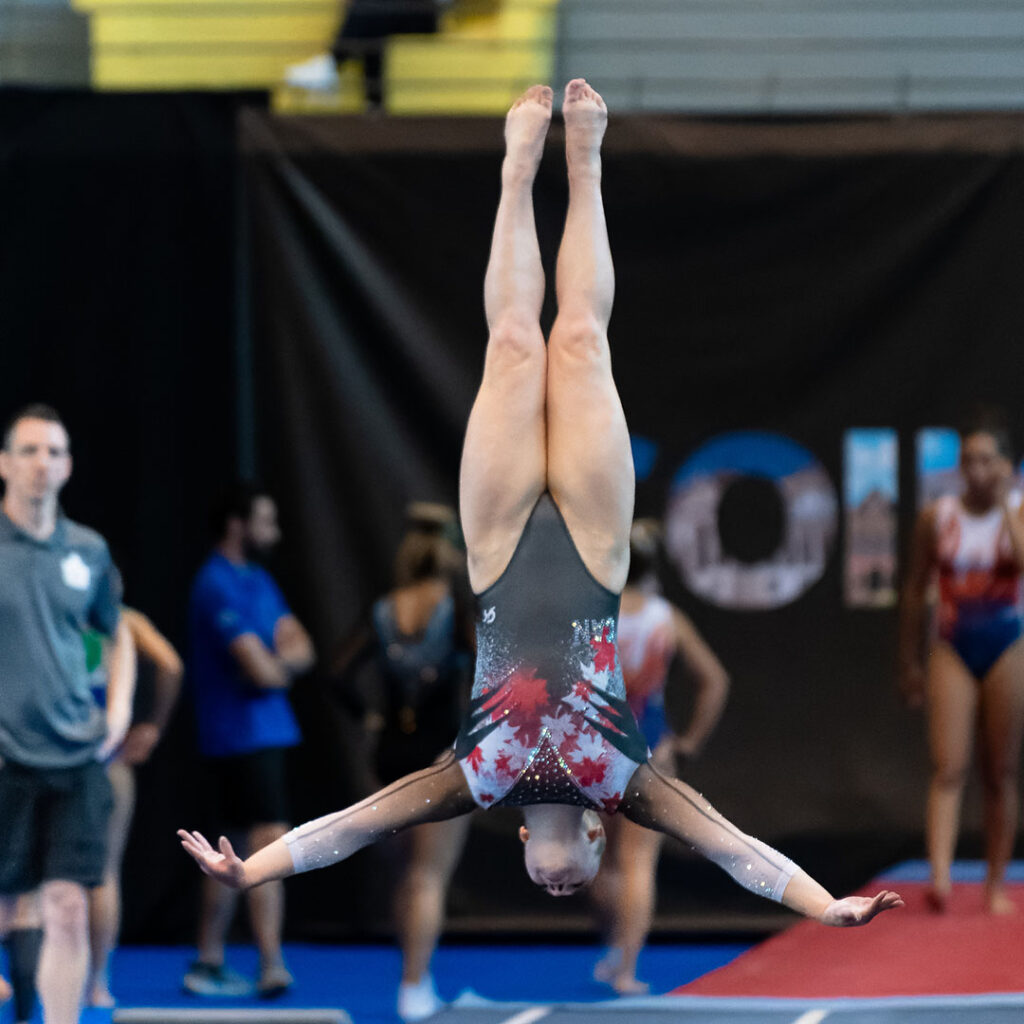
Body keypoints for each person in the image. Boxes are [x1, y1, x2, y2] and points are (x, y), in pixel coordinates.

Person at [179, 81, 903, 972]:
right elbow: (731, 846)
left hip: (496, 551)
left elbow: (354, 825)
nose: (559, 884)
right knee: (582, 343)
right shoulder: (625, 780)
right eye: (571, 886)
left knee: (516, 344)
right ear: (600, 836)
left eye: (546, 885)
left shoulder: (477, 776)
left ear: (519, 834)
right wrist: (825, 903)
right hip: (594, 554)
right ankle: (585, 164)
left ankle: (518, 171)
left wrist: (251, 868)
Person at [0, 403, 128, 1024]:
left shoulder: (88, 550)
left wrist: (119, 709)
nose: (41, 463)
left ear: (68, 466)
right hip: (7, 755)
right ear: (4, 463)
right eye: (28, 450)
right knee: (9, 907)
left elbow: (114, 633)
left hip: (75, 753)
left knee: (69, 905)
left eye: (53, 451)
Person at [329, 502, 473, 1021]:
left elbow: (338, 674)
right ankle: (415, 984)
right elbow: (495, 674)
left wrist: (369, 719)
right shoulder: (455, 611)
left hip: (389, 753)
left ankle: (411, 976)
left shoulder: (384, 610)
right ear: (451, 556)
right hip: (439, 754)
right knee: (426, 877)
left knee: (403, 877)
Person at [184, 482, 316, 997]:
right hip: (238, 738)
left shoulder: (259, 579)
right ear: (237, 525)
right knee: (265, 846)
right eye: (265, 522)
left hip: (266, 734)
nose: (274, 533)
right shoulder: (214, 584)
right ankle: (270, 964)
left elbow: (301, 648)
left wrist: (276, 665)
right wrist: (277, 665)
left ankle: (208, 959)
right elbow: (263, 669)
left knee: (234, 846)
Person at [590, 519, 730, 994]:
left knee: (601, 860)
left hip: (597, 750)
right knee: (636, 863)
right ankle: (626, 969)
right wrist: (689, 742)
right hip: (650, 749)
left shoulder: (591, 615)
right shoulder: (666, 617)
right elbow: (715, 681)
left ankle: (614, 948)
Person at [899, 408, 1024, 914]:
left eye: (987, 460)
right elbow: (914, 589)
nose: (976, 470)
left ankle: (995, 883)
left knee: (1000, 771)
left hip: (1008, 643)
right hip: (952, 643)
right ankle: (941, 876)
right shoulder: (938, 516)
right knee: (949, 765)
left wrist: (1007, 506)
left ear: (1005, 466)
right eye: (968, 460)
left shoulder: (1019, 510)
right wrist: (908, 661)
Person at [86, 607, 184, 1006]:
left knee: (35, 877)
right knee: (103, 873)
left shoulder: (40, 604)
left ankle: (33, 976)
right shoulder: (122, 618)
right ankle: (96, 983)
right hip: (107, 757)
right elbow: (170, 664)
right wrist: (152, 726)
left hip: (50, 755)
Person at [284, 0, 442, 107]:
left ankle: (332, 65)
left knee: (369, 11)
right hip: (398, 11)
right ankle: (374, 105)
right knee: (372, 23)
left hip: (426, 11)